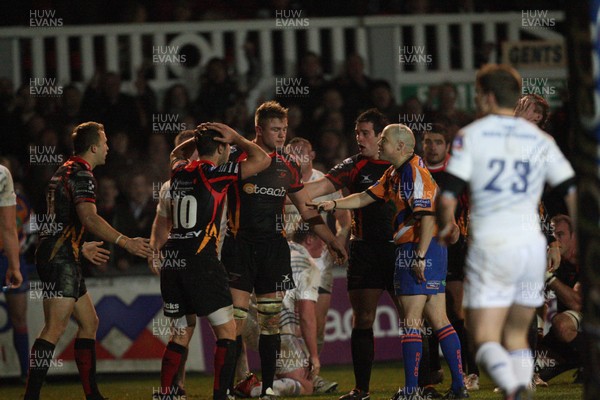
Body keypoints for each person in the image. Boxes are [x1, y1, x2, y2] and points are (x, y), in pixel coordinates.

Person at [436, 64, 577, 400]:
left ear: (486, 96)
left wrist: (445, 224)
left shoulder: (472, 136)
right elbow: (570, 188)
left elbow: (449, 192)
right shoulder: (538, 140)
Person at [310, 123, 467, 400]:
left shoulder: (413, 172)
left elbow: (427, 217)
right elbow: (364, 197)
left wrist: (418, 255)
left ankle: (411, 390)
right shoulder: (395, 172)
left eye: (384, 140)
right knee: (440, 319)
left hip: (417, 248)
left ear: (401, 147)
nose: (379, 144)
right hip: (431, 249)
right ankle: (458, 387)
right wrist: (333, 204)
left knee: (411, 322)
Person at [221, 100, 347, 399]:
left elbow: (307, 210)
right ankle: (225, 387)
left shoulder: (287, 166)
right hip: (239, 246)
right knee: (234, 323)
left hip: (272, 250)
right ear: (258, 130)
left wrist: (332, 240)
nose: (281, 135)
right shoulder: (236, 157)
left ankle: (266, 389)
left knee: (270, 322)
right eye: (275, 129)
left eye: (284, 129)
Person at [24, 121, 152, 400]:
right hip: (60, 257)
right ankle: (30, 397)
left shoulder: (63, 170)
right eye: (105, 143)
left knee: (89, 322)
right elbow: (89, 218)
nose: (107, 147)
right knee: (55, 327)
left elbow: (60, 218)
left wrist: (79, 247)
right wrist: (125, 241)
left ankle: (92, 395)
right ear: (94, 147)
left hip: (62, 253)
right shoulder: (82, 175)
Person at [156, 123, 271, 400]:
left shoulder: (179, 171)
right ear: (221, 147)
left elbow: (175, 153)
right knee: (227, 333)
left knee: (180, 334)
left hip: (172, 261)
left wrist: (195, 139)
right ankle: (221, 395)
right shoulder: (217, 174)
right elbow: (262, 159)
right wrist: (238, 137)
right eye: (227, 147)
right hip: (201, 261)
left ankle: (165, 394)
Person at [302, 109, 397, 400]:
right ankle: (361, 390)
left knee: (415, 319)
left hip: (400, 250)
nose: (359, 138)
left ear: (381, 135)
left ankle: (424, 384)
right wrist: (281, 189)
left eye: (365, 132)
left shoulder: (402, 164)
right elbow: (314, 190)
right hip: (365, 249)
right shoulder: (352, 166)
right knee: (363, 318)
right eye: (356, 133)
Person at [284, 136, 350, 394]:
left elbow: (345, 220)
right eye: (293, 152)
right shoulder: (282, 180)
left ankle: (313, 372)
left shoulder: (325, 182)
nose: (299, 156)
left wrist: (337, 242)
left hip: (319, 263)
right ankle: (298, 373)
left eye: (303, 151)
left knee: (317, 323)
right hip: (289, 261)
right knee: (290, 322)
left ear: (312, 154)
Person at [234, 228, 332, 397]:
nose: (324, 244)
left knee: (234, 332)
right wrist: (314, 357)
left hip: (241, 319)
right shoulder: (307, 264)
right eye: (322, 238)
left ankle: (239, 380)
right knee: (306, 385)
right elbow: (306, 316)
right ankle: (256, 388)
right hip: (273, 326)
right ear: (309, 239)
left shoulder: (277, 248)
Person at [420, 124, 478, 394]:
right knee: (424, 309)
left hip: (455, 249)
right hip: (424, 247)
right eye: (428, 141)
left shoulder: (457, 173)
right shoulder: (414, 171)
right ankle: (432, 370)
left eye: (438, 142)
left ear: (447, 146)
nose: (432, 146)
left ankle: (471, 372)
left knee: (457, 310)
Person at [147, 129, 197, 395]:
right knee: (185, 326)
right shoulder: (169, 187)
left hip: (216, 260)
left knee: (230, 324)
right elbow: (162, 221)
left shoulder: (211, 176)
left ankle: (238, 379)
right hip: (186, 263)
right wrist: (154, 250)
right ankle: (177, 385)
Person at [537, 214, 583, 383]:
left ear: (573, 236)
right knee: (537, 361)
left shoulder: (587, 258)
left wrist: (548, 277)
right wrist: (539, 333)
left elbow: (577, 303)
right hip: (579, 327)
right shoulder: (557, 262)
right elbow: (540, 300)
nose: (555, 240)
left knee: (562, 325)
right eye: (553, 235)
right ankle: (581, 362)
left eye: (561, 234)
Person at [0, 158, 32, 382]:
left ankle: (25, 372)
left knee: (19, 316)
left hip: (9, 257)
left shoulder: (22, 202)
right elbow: (9, 228)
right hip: (12, 259)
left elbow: (27, 230)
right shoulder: (3, 176)